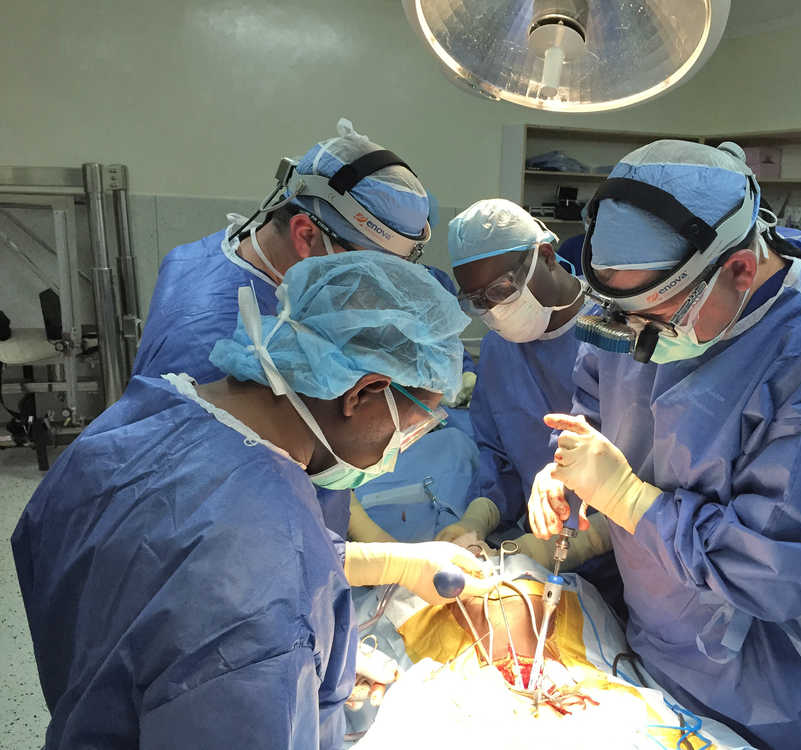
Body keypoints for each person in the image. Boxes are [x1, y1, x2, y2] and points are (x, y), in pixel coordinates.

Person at [12, 252, 498, 749]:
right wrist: (282, 665)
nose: (402, 445)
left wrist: (310, 672)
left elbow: (142, 620)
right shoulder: (266, 579)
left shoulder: (128, 427)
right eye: (415, 425)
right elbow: (233, 619)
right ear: (362, 393)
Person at [528, 140, 801, 750]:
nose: (638, 340)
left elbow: (780, 569)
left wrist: (626, 496)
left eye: (654, 318)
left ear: (738, 269)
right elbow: (596, 398)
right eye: (619, 315)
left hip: (783, 686)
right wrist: (568, 465)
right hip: (660, 637)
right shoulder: (645, 311)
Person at [132, 118, 472, 535]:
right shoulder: (224, 340)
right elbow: (234, 521)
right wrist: (375, 558)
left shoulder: (211, 257)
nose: (381, 289)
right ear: (306, 234)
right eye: (370, 267)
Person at [435, 199, 612, 578]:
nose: (494, 309)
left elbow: (649, 474)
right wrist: (477, 519)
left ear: (546, 256)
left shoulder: (616, 336)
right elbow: (500, 457)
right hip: (538, 556)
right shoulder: (500, 349)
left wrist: (587, 541)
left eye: (501, 289)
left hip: (628, 559)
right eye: (477, 301)